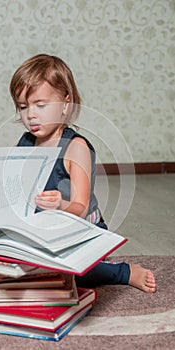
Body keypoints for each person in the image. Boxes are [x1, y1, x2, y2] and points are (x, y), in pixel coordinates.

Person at [9, 53, 156, 293]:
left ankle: (123, 272)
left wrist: (59, 205)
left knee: (80, 273)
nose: (31, 114)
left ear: (66, 103)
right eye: (23, 107)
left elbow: (80, 206)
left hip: (79, 228)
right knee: (11, 264)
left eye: (41, 105)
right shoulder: (26, 141)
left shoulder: (75, 147)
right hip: (41, 228)